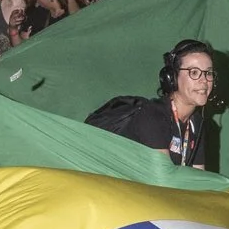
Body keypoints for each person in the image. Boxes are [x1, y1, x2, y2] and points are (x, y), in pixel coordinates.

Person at [90, 39, 219, 168]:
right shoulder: (152, 115)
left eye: (208, 73)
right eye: (194, 72)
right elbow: (162, 176)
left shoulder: (196, 123)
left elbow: (198, 176)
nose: (204, 81)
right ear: (172, 78)